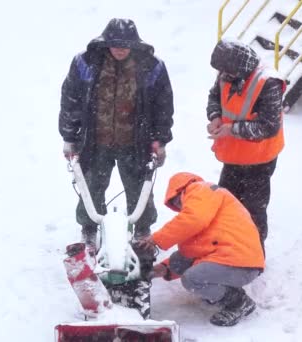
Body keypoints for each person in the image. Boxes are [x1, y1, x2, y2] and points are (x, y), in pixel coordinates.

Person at [58, 18, 174, 273]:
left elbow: (163, 107)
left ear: (135, 44)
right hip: (95, 140)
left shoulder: (151, 67)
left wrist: (159, 139)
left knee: (139, 189)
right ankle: (89, 230)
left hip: (135, 142)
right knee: (91, 186)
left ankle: (142, 230)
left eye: (126, 45)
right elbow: (71, 100)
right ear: (106, 42)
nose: (120, 49)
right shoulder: (86, 63)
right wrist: (69, 137)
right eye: (115, 44)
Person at [136, 172, 265, 327]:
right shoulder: (207, 202)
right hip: (232, 257)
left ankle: (239, 302)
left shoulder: (200, 189)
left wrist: (156, 239)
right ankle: (220, 291)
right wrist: (162, 269)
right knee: (180, 259)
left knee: (193, 279)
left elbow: (193, 220)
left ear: (181, 190)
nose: (179, 206)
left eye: (177, 202)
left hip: (241, 263)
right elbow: (190, 252)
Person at [205, 39, 285, 254]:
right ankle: (228, 245)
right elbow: (214, 96)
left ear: (237, 68)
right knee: (225, 203)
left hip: (260, 160)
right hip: (233, 156)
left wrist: (231, 130)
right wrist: (215, 116)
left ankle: (254, 253)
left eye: (225, 71)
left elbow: (269, 127)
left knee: (253, 209)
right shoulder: (227, 71)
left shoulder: (268, 82)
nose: (221, 75)